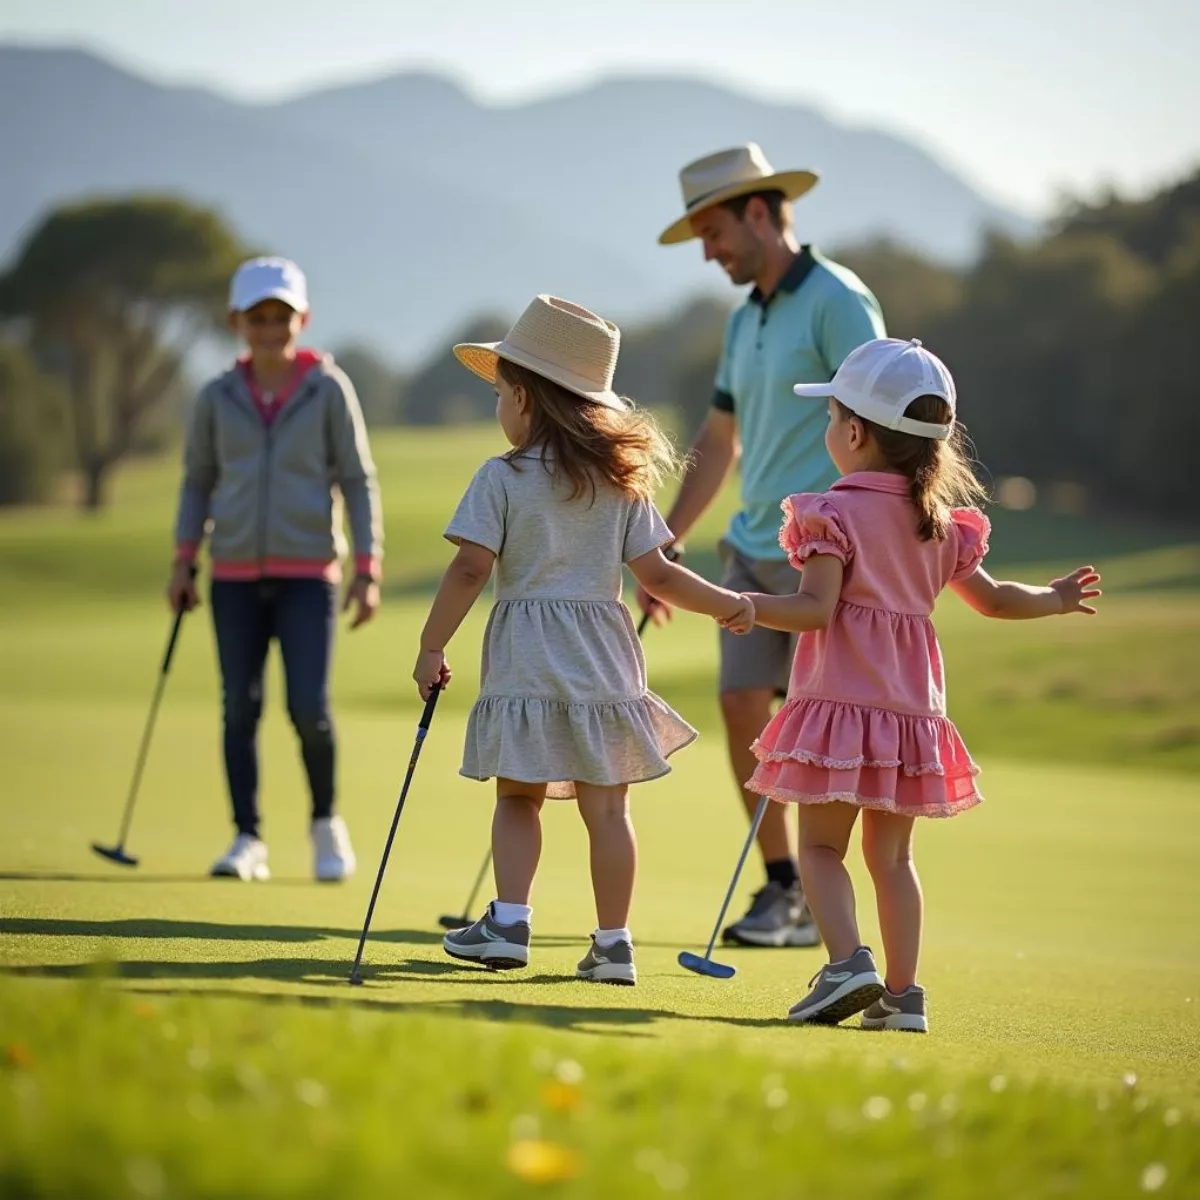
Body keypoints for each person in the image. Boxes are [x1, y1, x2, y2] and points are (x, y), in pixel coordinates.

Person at [738, 337, 1101, 1030]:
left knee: (818, 848)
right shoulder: (938, 524)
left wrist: (750, 607)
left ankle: (846, 964)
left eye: (831, 418)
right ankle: (903, 997)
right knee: (893, 855)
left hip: (841, 710)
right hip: (909, 718)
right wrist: (1053, 599)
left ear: (853, 432)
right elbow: (994, 600)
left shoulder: (831, 513)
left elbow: (814, 608)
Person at [414, 295, 755, 985]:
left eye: (501, 394)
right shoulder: (621, 482)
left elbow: (472, 567)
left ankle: (509, 925)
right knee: (609, 808)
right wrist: (728, 604)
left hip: (527, 660)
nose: (499, 408)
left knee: (518, 798)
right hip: (603, 659)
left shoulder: (501, 477)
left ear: (524, 398)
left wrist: (430, 645)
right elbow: (659, 572)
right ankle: (613, 945)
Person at [644, 142, 887, 949]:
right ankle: (782, 885)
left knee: (817, 727)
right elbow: (720, 436)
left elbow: (880, 420)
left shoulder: (839, 300)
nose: (708, 253)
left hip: (826, 549)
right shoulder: (744, 316)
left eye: (712, 232)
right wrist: (667, 543)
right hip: (752, 544)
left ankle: (828, 906)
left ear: (757, 211)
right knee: (743, 707)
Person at [168, 256, 384, 883]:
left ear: (302, 320)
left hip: (307, 573)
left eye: (281, 316)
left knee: (308, 707)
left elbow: (358, 480)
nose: (270, 328)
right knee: (240, 707)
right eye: (258, 316)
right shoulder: (216, 396)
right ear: (238, 321)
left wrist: (366, 568)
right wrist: (184, 560)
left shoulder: (328, 390)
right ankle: (247, 838)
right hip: (232, 573)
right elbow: (197, 482)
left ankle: (324, 824)